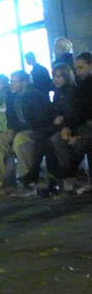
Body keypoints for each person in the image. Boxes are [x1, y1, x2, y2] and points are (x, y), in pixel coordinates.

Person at [0, 71, 52, 196]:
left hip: (35, 131)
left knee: (21, 140)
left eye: (15, 82)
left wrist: (16, 130)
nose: (11, 84)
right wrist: (11, 129)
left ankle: (27, 181)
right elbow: (10, 117)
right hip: (17, 131)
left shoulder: (36, 96)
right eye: (11, 81)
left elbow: (40, 120)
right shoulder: (12, 98)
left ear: (24, 82)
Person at [42, 63, 82, 195]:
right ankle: (60, 176)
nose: (55, 79)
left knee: (55, 141)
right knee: (48, 140)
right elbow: (57, 111)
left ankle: (65, 175)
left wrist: (65, 124)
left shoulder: (72, 92)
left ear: (66, 77)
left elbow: (76, 113)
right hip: (64, 126)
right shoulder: (58, 93)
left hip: (73, 127)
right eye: (54, 76)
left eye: (59, 76)